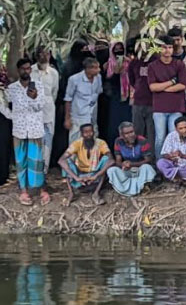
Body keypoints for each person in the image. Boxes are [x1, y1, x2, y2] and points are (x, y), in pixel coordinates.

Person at [0, 59, 49, 205]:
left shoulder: (38, 86)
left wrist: (33, 98)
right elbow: (3, 103)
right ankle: (23, 191)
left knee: (37, 161)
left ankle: (41, 189)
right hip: (19, 130)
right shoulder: (12, 88)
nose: (26, 71)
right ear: (18, 70)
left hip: (35, 129)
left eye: (28, 69)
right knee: (21, 161)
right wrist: (11, 115)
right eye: (23, 69)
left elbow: (40, 106)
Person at [148, 35, 186, 155]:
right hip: (159, 108)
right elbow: (152, 87)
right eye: (164, 47)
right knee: (160, 138)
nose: (167, 50)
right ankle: (161, 165)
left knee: (174, 136)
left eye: (170, 47)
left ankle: (175, 164)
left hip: (176, 107)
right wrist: (172, 82)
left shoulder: (179, 64)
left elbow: (183, 85)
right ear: (159, 49)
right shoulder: (153, 66)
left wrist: (163, 88)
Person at [59, 123, 114, 206]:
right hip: (80, 174)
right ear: (81, 134)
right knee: (66, 162)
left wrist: (96, 176)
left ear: (94, 132)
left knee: (106, 160)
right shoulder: (77, 143)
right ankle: (71, 193)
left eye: (91, 131)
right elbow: (61, 160)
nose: (89, 134)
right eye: (86, 132)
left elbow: (111, 160)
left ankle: (96, 193)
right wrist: (76, 177)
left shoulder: (101, 143)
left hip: (94, 174)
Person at [107, 121, 157, 197]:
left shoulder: (142, 141)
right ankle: (125, 189)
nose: (131, 135)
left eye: (132, 132)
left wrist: (132, 164)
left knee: (147, 168)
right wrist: (124, 165)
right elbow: (118, 161)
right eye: (127, 133)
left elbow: (148, 160)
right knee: (112, 170)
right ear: (122, 135)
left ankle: (142, 187)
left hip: (140, 170)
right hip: (127, 170)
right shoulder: (118, 142)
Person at [31, 46, 59, 168]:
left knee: (47, 140)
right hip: (31, 110)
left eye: (47, 53)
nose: (45, 56)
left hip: (48, 110)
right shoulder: (30, 71)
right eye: (42, 54)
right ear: (37, 55)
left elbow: (54, 92)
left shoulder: (53, 73)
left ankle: (44, 169)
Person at [64, 57, 102, 144]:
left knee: (93, 142)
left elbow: (98, 93)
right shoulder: (74, 79)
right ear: (88, 69)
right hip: (78, 117)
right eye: (96, 68)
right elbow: (68, 100)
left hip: (92, 117)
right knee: (75, 143)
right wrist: (67, 119)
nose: (98, 70)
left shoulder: (98, 78)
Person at [127, 41, 157, 149]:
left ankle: (151, 159)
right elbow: (132, 81)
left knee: (151, 133)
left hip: (154, 102)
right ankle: (137, 155)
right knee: (137, 131)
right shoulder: (134, 63)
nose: (143, 50)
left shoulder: (157, 61)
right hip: (138, 102)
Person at [103, 41, 133, 142]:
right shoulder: (108, 64)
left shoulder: (129, 63)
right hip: (114, 97)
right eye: (116, 49)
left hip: (127, 97)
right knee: (114, 123)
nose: (118, 51)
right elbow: (108, 82)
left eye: (120, 49)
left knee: (127, 122)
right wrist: (116, 73)